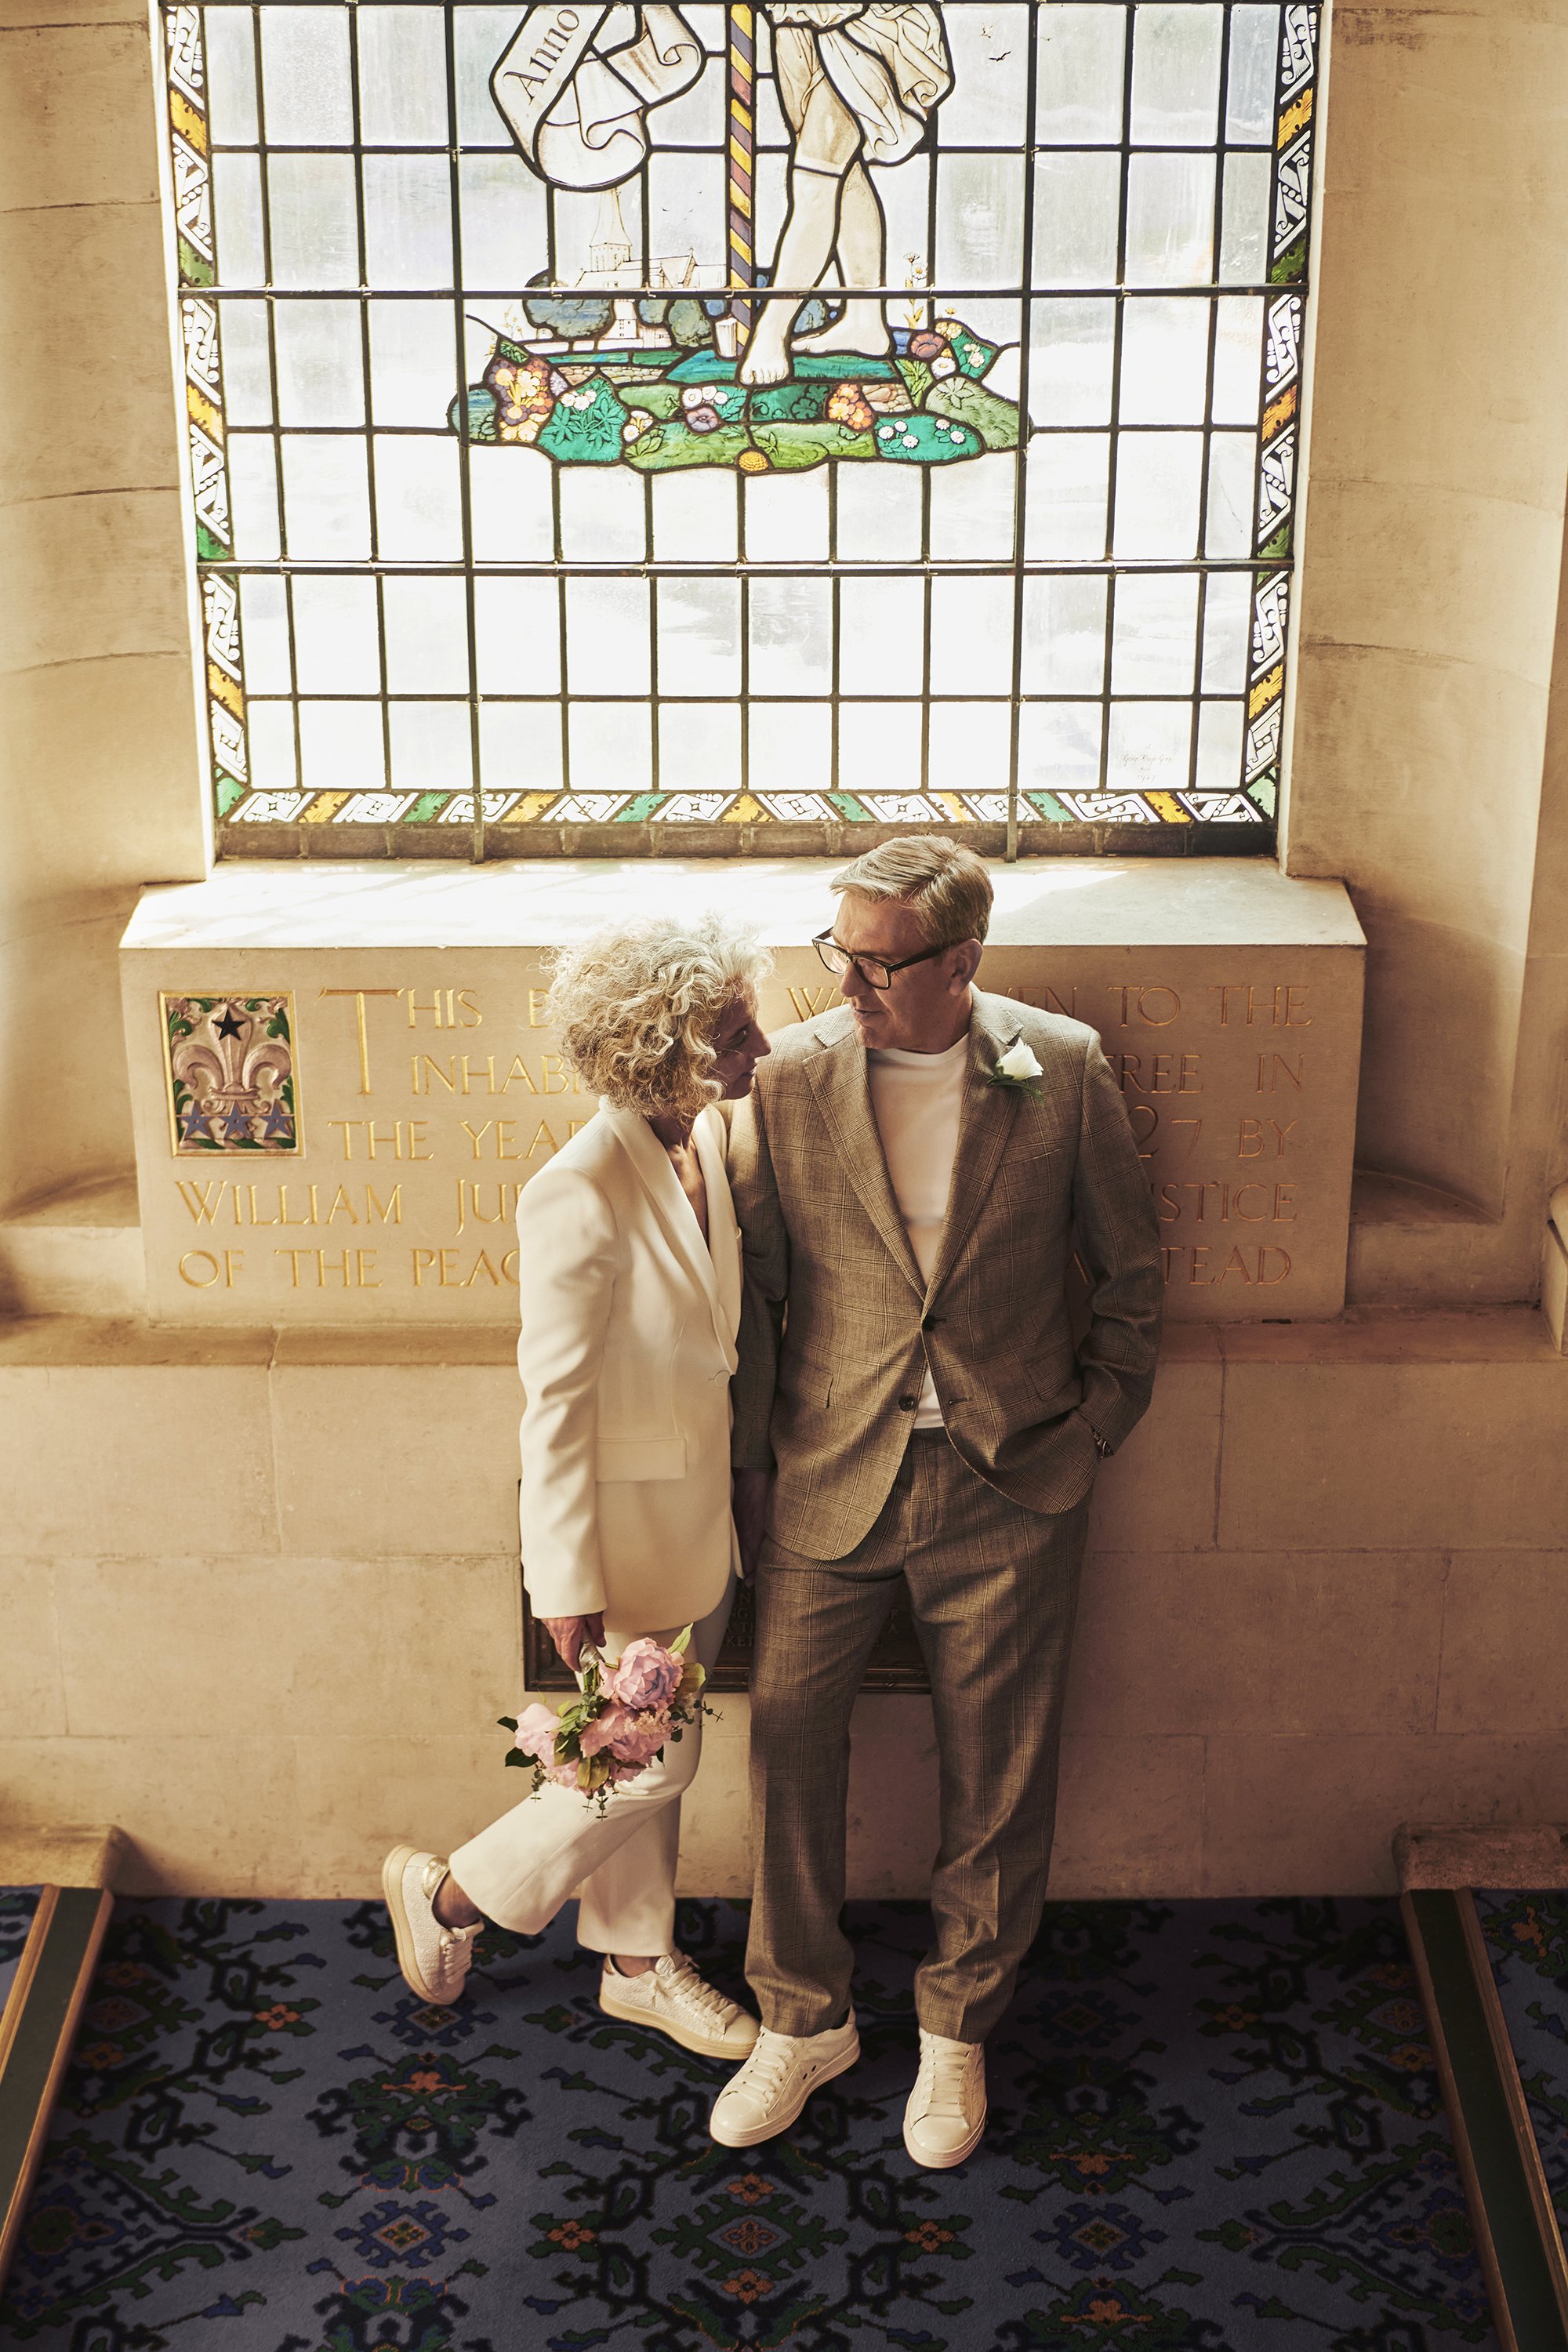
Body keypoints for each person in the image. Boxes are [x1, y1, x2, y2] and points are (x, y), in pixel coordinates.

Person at [713, 839, 1163, 2163]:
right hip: (827, 1474)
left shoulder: (1061, 1066)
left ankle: (957, 2028)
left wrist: (1091, 1432)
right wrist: (751, 1473)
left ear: (963, 961)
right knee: (788, 1748)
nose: (846, 982)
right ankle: (803, 2018)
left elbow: (1131, 1277)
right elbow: (763, 1293)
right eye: (837, 953)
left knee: (1001, 1773)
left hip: (1010, 1481)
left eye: (879, 962)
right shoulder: (790, 1078)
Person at [382, 916, 771, 2060]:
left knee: (644, 1759)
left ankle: (636, 1962)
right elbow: (552, 1404)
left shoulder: (704, 1143)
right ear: (665, 1054)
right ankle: (450, 1894)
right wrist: (560, 1580)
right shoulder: (579, 1191)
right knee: (650, 1762)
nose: (759, 1048)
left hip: (701, 1526)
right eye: (733, 1035)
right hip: (622, 1541)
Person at [739, 4, 953, 386]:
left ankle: (771, 331)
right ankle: (864, 320)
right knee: (843, 172)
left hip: (859, 29)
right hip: (796, 24)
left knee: (815, 180)